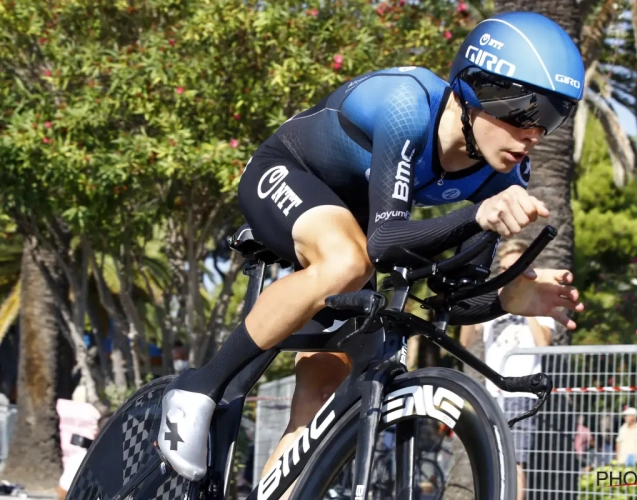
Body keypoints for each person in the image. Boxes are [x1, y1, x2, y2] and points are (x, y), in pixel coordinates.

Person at [157, 10, 587, 492]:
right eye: (526, 112)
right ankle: (198, 388)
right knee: (347, 260)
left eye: (553, 118)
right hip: (288, 171)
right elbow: (384, 243)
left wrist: (506, 298)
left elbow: (450, 300)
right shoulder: (407, 106)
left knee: (323, 398)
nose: (535, 134)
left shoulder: (503, 175)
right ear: (475, 89)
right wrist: (476, 216)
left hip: (357, 220)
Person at [460, 239, 556, 500]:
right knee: (495, 459)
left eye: (513, 267)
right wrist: (471, 305)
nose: (507, 273)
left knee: (514, 461)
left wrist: (525, 303)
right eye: (503, 268)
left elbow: (544, 343)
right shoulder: (494, 301)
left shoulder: (540, 298)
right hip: (493, 393)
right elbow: (466, 341)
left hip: (521, 393)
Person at [57, 412, 112, 500]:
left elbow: (63, 493)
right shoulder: (79, 460)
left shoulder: (79, 460)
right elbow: (64, 492)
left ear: (96, 434)